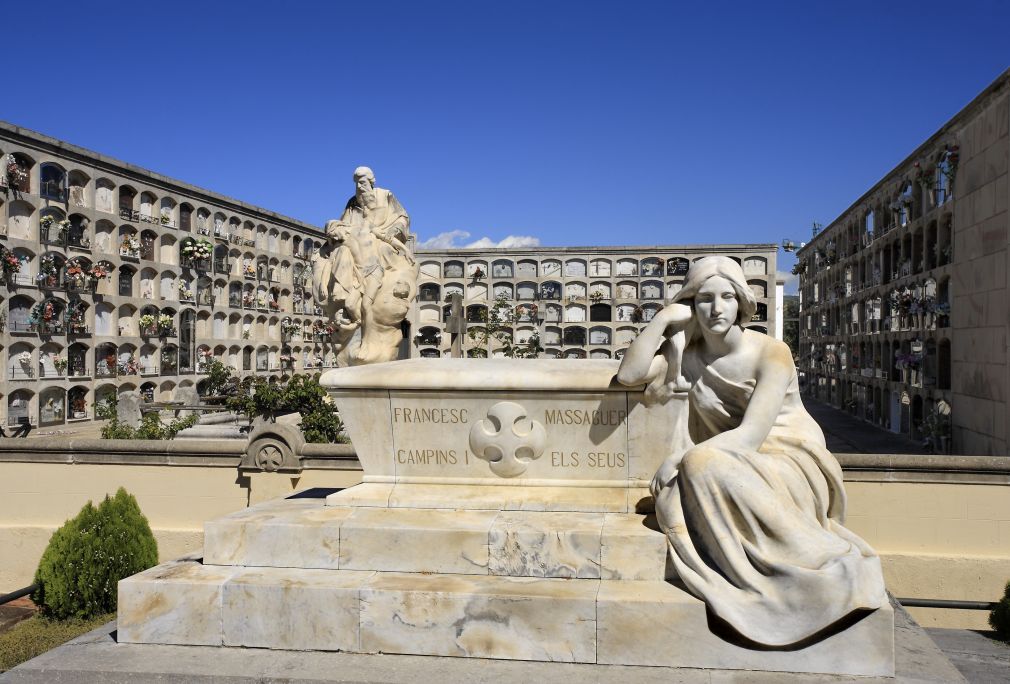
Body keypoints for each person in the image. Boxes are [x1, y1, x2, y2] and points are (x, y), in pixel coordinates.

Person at [616, 256, 885, 647]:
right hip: (727, 463)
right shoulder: (687, 355)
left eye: (727, 296)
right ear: (691, 304)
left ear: (741, 302)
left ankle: (821, 565)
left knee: (696, 464)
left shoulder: (771, 352)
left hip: (789, 460)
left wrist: (679, 457)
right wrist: (660, 320)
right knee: (691, 478)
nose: (717, 307)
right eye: (705, 298)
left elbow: (751, 435)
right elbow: (629, 376)